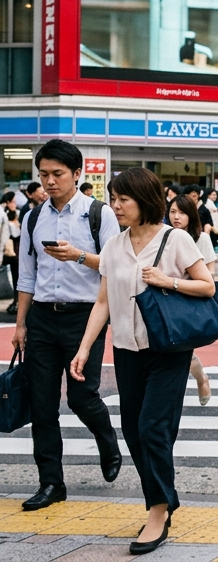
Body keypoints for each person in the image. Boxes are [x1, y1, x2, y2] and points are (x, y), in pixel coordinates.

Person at [71, 166, 216, 555]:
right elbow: (103, 301)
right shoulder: (115, 246)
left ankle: (158, 509)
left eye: (123, 200)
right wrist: (85, 348)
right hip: (126, 350)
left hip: (168, 349)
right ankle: (162, 497)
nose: (115, 206)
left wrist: (167, 281)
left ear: (144, 199)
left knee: (153, 427)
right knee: (134, 431)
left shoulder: (176, 239)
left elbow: (208, 286)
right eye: (113, 199)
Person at [11, 140, 122, 512]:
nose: (49, 182)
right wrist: (21, 324)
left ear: (77, 174)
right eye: (43, 175)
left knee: (80, 397)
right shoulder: (33, 216)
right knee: (41, 405)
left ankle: (107, 439)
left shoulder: (98, 213)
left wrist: (78, 256)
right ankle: (51, 483)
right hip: (42, 317)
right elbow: (27, 275)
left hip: (84, 317)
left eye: (57, 174)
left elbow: (113, 266)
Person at [167, 195, 217, 408]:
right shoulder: (165, 236)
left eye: (182, 213)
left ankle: (201, 379)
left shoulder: (201, 238)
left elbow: (210, 272)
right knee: (176, 348)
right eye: (172, 212)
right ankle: (199, 379)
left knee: (184, 349)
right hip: (169, 299)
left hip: (192, 298)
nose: (176, 217)